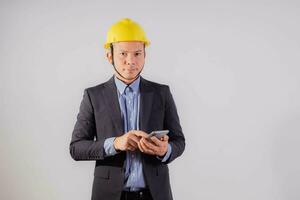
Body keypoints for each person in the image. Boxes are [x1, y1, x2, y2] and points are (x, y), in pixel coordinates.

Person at [69, 18, 185, 200]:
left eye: (137, 53)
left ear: (145, 55)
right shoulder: (93, 96)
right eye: (123, 54)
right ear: (110, 56)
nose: (131, 61)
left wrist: (165, 150)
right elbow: (76, 148)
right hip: (109, 195)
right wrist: (115, 144)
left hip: (155, 194)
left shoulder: (161, 93)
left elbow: (179, 141)